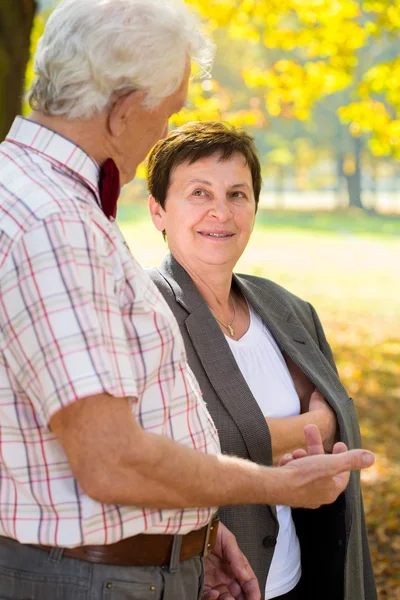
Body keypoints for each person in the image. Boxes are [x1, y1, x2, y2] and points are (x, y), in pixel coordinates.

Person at [0, 1, 375, 598]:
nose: (161, 132)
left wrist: (195, 536)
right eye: (167, 111)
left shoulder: (27, 190)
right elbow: (110, 460)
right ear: (125, 110)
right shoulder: (57, 223)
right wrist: (280, 487)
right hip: (92, 579)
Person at [147, 121, 378, 600]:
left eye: (238, 194)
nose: (221, 211)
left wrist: (320, 436)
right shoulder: (145, 311)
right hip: (209, 584)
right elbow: (176, 452)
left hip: (299, 574)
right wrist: (316, 423)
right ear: (157, 211)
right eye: (198, 192)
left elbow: (334, 426)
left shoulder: (288, 308)